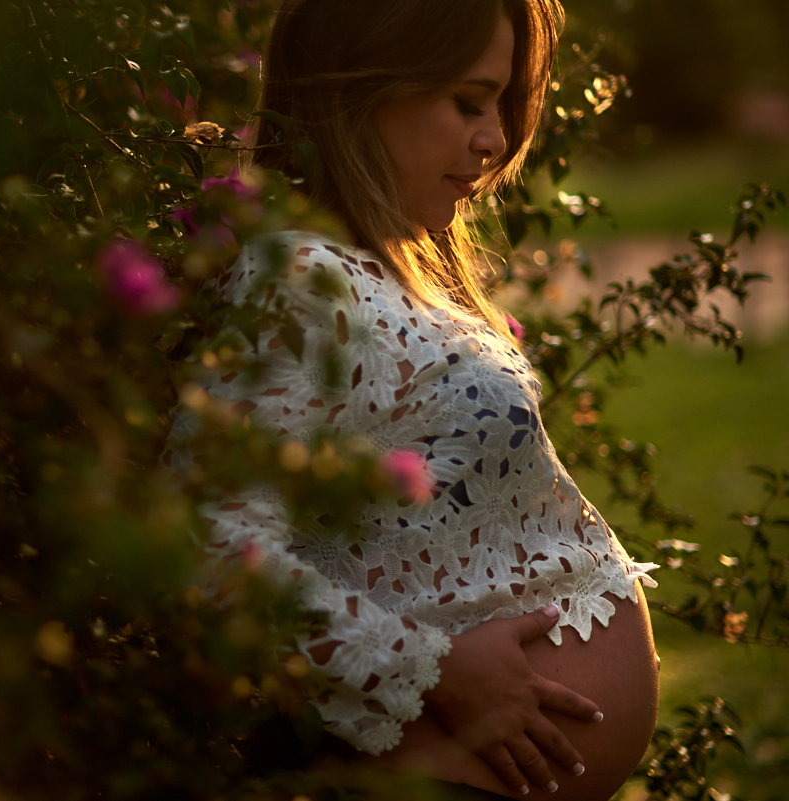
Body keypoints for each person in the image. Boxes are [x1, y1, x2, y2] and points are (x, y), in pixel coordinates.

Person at [165, 1, 661, 799]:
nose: (496, 139)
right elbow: (200, 544)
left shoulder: (378, 273)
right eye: (469, 101)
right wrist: (432, 670)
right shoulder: (304, 280)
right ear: (360, 89)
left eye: (500, 103)